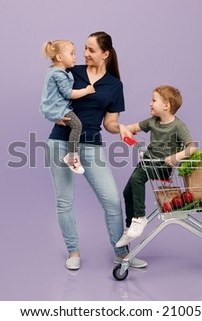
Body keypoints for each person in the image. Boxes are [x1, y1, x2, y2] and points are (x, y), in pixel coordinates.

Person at [45, 31, 147, 270]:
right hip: (60, 142)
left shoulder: (114, 85)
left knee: (112, 201)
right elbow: (50, 97)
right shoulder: (71, 71)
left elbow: (109, 123)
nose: (85, 54)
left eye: (91, 50)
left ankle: (121, 253)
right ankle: (73, 251)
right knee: (64, 202)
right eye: (84, 48)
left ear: (105, 54)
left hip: (91, 145)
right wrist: (54, 114)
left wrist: (121, 127)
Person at [116, 85, 197, 247]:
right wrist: (124, 130)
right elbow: (131, 128)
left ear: (166, 106)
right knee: (127, 191)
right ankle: (130, 226)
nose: (150, 104)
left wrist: (176, 157)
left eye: (154, 100)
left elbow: (192, 147)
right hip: (147, 162)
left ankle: (139, 218)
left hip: (162, 167)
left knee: (137, 178)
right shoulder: (152, 122)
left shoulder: (177, 126)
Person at [40, 39, 96, 174]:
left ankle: (72, 155)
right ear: (59, 57)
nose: (76, 57)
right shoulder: (59, 74)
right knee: (77, 125)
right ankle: (72, 156)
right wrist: (87, 90)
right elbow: (68, 93)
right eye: (72, 54)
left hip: (53, 107)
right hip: (58, 108)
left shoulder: (54, 71)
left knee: (75, 125)